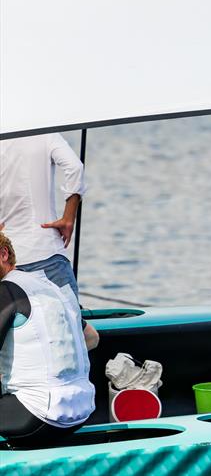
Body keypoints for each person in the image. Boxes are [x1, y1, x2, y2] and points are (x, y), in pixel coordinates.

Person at [0, 133, 99, 347]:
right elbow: (74, 167)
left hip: (8, 262)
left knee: (12, 338)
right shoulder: (44, 133)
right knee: (81, 336)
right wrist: (68, 217)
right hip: (46, 253)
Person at [0, 232, 95, 447]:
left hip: (37, 413)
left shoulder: (6, 290)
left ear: (4, 254)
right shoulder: (51, 287)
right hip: (80, 409)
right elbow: (92, 338)